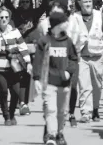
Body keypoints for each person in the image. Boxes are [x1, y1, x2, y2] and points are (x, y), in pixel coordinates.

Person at [34, 12, 79, 145]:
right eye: (65, 21)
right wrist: (36, 79)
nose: (67, 23)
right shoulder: (45, 41)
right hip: (49, 82)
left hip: (64, 83)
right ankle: (51, 135)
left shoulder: (68, 41)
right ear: (58, 24)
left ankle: (60, 133)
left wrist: (69, 71)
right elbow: (38, 60)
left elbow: (73, 59)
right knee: (50, 109)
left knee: (62, 111)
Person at [0, 7, 32, 125]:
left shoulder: (15, 32)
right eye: (1, 17)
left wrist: (28, 63)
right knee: (3, 91)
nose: (4, 19)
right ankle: (6, 116)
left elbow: (23, 47)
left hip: (13, 68)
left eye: (6, 17)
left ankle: (12, 114)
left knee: (16, 92)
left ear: (9, 18)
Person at [73, 0, 103, 123]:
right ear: (79, 3)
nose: (88, 4)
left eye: (89, 1)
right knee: (84, 86)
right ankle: (86, 113)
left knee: (98, 86)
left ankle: (95, 109)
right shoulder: (74, 18)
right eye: (85, 2)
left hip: (97, 57)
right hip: (81, 58)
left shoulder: (100, 16)